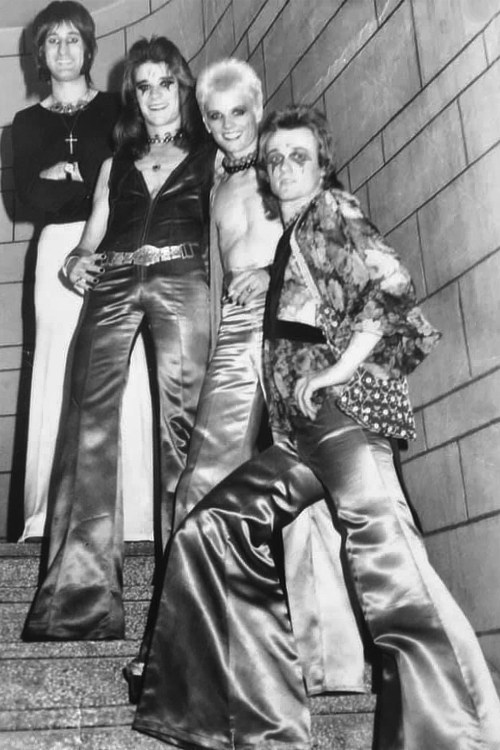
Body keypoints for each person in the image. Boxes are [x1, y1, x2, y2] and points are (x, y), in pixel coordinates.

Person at [133, 106, 500, 749]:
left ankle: (467, 734)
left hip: (345, 422)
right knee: (213, 529)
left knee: (394, 574)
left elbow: (392, 288)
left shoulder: (330, 209)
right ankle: (250, 720)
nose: (284, 168)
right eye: (275, 159)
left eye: (299, 156)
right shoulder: (294, 236)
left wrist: (338, 371)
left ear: (322, 164)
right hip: (302, 436)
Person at [123, 59, 365, 703]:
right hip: (237, 333)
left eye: (239, 111)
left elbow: (333, 236)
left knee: (307, 488)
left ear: (258, 108)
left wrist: (273, 272)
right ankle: (179, 655)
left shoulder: (284, 162)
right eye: (215, 115)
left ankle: (328, 662)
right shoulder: (210, 176)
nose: (228, 125)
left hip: (298, 329)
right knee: (203, 479)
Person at [22, 35, 214, 642]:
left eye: (166, 84)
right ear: (133, 96)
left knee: (184, 428)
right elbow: (91, 237)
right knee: (88, 423)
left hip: (184, 278)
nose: (156, 96)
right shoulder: (116, 162)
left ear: (183, 88)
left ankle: (189, 606)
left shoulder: (209, 153)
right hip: (115, 281)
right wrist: (77, 258)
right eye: (144, 86)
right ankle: (78, 601)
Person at [12, 0, 153, 544]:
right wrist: (71, 182)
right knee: (58, 367)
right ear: (40, 54)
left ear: (90, 48)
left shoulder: (117, 109)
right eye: (53, 40)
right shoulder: (26, 123)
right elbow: (27, 199)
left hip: (111, 244)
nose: (64, 49)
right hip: (55, 255)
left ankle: (132, 512)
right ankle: (49, 514)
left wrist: (64, 180)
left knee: (121, 362)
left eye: (74, 39)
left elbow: (125, 183)